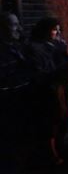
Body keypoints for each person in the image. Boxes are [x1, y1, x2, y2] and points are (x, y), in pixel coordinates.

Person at [28, 17, 68, 166]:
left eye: (58, 29)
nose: (57, 32)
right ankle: (51, 154)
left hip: (61, 88)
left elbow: (65, 62)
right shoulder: (36, 47)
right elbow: (40, 72)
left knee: (62, 120)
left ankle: (61, 148)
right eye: (54, 29)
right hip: (48, 90)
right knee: (51, 124)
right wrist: (61, 68)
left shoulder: (58, 45)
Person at [0, 12, 34, 170]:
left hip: (21, 104)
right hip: (9, 107)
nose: (18, 29)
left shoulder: (18, 47)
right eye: (13, 25)